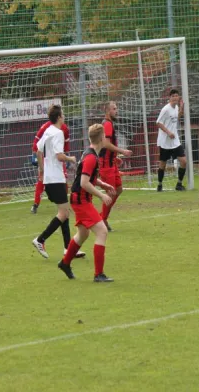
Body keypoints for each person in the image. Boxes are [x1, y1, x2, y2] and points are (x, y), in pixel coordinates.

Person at [58, 123, 117, 282]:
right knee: (102, 231)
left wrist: (103, 185)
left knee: (83, 234)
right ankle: (99, 274)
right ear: (102, 138)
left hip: (79, 198)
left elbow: (88, 178)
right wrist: (101, 195)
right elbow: (84, 182)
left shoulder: (89, 153)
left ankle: (65, 263)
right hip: (81, 199)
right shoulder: (91, 157)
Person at [32, 105, 82, 259]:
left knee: (64, 211)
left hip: (49, 178)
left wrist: (42, 170)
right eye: (63, 114)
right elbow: (60, 156)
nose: (64, 116)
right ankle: (40, 239)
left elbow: (38, 150)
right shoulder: (59, 133)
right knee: (64, 212)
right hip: (56, 178)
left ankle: (68, 249)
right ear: (59, 117)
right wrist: (71, 158)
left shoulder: (48, 130)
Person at [98, 101, 132, 232]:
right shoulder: (107, 124)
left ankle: (103, 218)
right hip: (106, 165)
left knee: (118, 189)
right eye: (114, 109)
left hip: (111, 162)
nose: (116, 111)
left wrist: (114, 156)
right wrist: (122, 151)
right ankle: (102, 220)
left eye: (116, 108)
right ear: (107, 111)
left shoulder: (109, 123)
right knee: (111, 192)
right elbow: (106, 144)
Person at [30, 120, 70, 215]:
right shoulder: (46, 127)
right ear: (58, 117)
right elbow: (37, 141)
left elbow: (66, 144)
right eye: (61, 114)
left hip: (58, 158)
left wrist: (66, 156)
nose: (63, 117)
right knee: (41, 180)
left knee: (63, 180)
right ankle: (36, 204)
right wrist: (36, 157)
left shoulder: (64, 128)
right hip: (46, 158)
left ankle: (64, 204)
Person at [156, 89, 186, 192]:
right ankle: (159, 185)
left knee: (183, 161)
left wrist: (181, 109)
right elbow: (158, 123)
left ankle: (179, 184)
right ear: (169, 97)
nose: (175, 98)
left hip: (175, 140)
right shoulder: (165, 109)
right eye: (173, 96)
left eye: (176, 96)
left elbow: (176, 118)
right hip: (165, 141)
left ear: (178, 98)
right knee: (163, 164)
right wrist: (168, 132)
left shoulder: (176, 107)